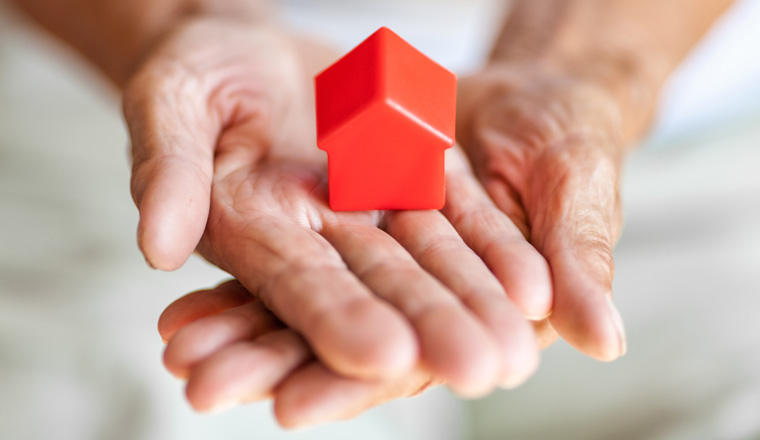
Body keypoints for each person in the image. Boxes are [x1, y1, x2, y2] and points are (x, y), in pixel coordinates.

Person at [8, 0, 733, 429]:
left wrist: (584, 65)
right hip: (108, 106)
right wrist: (179, 20)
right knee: (139, 412)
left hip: (695, 145)